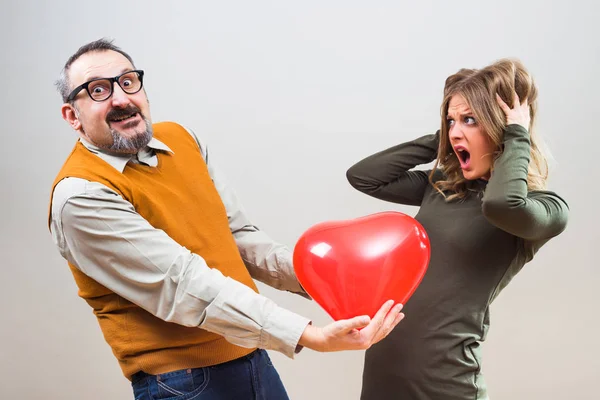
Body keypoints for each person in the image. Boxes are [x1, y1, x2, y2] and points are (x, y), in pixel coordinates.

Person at [48, 38, 405, 400]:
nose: (121, 98)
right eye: (98, 90)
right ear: (72, 116)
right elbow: (183, 283)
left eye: (127, 81)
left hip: (251, 356)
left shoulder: (181, 139)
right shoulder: (81, 196)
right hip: (181, 384)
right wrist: (306, 334)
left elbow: (237, 236)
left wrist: (333, 278)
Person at [346, 59, 569, 399]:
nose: (454, 131)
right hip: (383, 369)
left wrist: (517, 135)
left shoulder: (545, 208)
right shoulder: (441, 186)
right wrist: (446, 139)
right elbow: (364, 176)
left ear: (501, 128)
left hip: (447, 384)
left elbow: (501, 205)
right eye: (451, 121)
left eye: (469, 120)